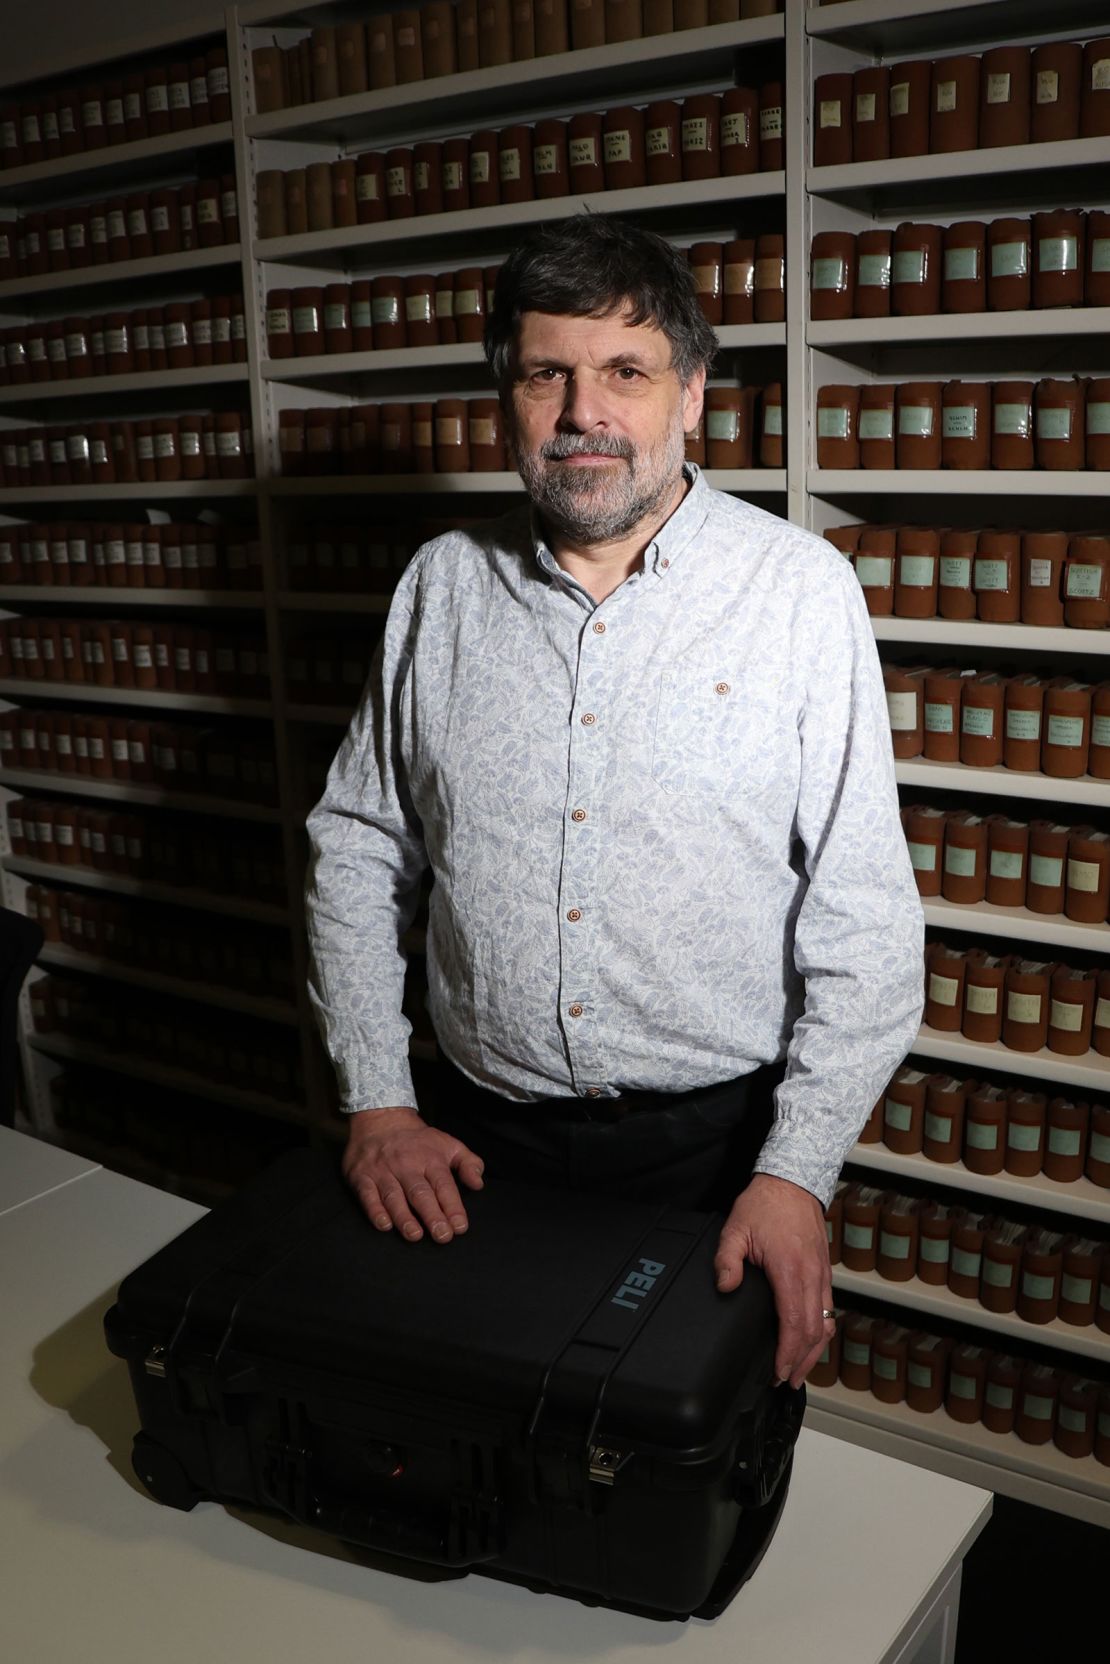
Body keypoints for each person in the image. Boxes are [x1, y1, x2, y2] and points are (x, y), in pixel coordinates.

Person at [305, 214, 924, 1390]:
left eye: (626, 373)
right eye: (549, 372)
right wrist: (379, 1098)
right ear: (509, 397)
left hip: (718, 1150)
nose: (584, 411)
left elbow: (867, 921)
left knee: (672, 1460)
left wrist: (797, 1171)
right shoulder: (441, 586)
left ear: (692, 395)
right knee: (482, 1435)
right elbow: (355, 844)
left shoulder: (800, 593)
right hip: (475, 1139)